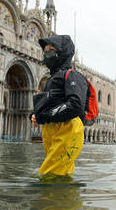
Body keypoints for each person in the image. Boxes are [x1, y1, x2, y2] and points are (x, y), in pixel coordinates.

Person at [31, 35, 88, 178]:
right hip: (52, 129)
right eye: (45, 51)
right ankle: (64, 199)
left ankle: (54, 200)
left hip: (67, 128)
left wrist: (45, 116)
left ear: (63, 53)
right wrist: (35, 115)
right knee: (61, 173)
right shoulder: (51, 80)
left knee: (50, 175)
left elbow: (75, 105)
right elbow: (49, 103)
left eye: (51, 50)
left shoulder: (73, 75)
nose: (46, 54)